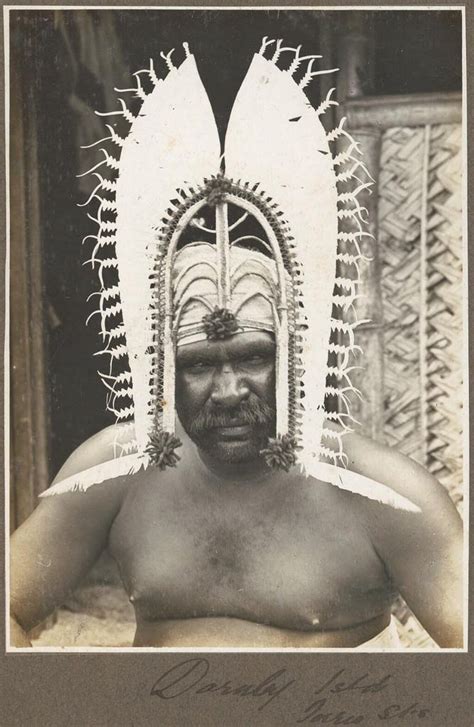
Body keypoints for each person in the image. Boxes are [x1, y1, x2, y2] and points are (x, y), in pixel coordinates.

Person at [10, 40, 464, 649]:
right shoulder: (114, 472)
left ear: (297, 351)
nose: (227, 392)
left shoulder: (392, 498)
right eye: (198, 364)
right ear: (160, 366)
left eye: (253, 356)